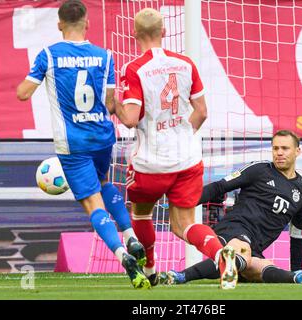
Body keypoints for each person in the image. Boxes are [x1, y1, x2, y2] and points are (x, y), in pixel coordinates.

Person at [16, 0, 150, 289]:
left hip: (73, 143)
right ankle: (131, 236)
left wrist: (37, 79)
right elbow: (112, 103)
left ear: (59, 24)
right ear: (87, 23)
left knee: (92, 203)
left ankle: (122, 255)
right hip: (102, 136)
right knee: (104, 182)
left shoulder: (49, 56)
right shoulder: (105, 56)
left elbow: (22, 94)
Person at [112, 8, 238, 289]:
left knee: (142, 213)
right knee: (184, 225)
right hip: (188, 158)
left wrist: (113, 105)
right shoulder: (186, 63)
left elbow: (131, 120)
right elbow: (202, 111)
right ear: (165, 32)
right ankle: (220, 254)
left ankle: (151, 270)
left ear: (134, 34)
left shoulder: (134, 68)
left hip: (151, 161)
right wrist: (182, 134)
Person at [160, 130, 302, 285]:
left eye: (285, 148)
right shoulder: (259, 170)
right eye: (275, 148)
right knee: (240, 252)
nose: (279, 153)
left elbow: (298, 234)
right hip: (235, 228)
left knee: (258, 268)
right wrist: (185, 201)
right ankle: (180, 276)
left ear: (297, 151)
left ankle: (296, 277)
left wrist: (296, 267)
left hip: (256, 244)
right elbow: (219, 187)